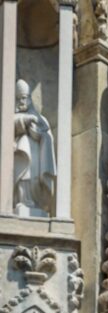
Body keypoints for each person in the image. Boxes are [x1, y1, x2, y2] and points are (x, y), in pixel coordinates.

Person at [12, 80, 56, 217]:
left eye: (24, 98)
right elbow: (10, 125)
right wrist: (25, 121)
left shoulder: (40, 118)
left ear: (30, 99)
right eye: (18, 99)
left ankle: (37, 202)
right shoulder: (13, 117)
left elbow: (47, 135)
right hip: (21, 157)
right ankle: (23, 200)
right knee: (23, 176)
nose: (21, 102)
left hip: (37, 157)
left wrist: (39, 134)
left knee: (35, 177)